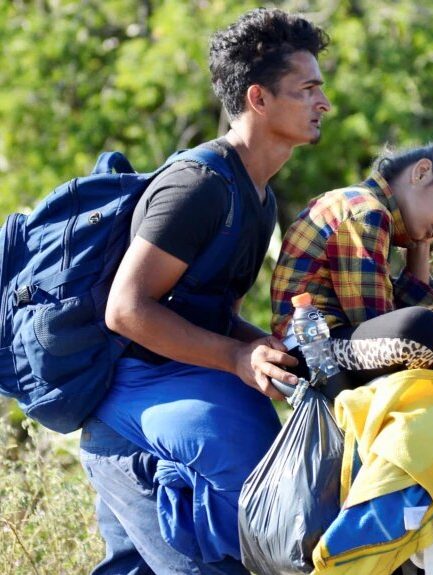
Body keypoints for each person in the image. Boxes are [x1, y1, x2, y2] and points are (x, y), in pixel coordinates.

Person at [79, 8, 331, 574]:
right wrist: (236, 357)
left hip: (170, 408)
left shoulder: (259, 196)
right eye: (308, 89)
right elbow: (126, 309)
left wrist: (262, 348)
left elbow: (214, 313)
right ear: (259, 99)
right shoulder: (198, 186)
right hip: (129, 419)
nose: (324, 103)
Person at [270, 142, 433, 384]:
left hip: (344, 344)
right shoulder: (366, 210)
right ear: (422, 172)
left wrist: (421, 246)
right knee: (425, 330)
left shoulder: (376, 213)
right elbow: (376, 323)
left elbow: (386, 329)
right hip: (313, 351)